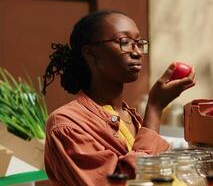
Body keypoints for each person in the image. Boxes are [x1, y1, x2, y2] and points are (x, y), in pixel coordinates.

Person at [42, 10, 196, 186]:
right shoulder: (66, 124)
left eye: (139, 43)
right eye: (124, 42)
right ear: (90, 53)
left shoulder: (129, 116)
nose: (137, 52)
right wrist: (154, 108)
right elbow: (118, 182)